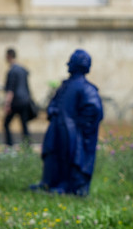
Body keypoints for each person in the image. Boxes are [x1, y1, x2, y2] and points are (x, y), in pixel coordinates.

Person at [32, 49, 103, 196]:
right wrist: (52, 111)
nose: (67, 64)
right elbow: (54, 102)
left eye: (71, 61)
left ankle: (67, 185)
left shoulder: (86, 88)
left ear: (77, 64)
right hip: (58, 127)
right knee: (52, 153)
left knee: (68, 155)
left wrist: (79, 125)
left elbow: (94, 109)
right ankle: (48, 182)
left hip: (71, 132)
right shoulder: (65, 85)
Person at [3, 48, 33, 147]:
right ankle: (27, 145)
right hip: (25, 100)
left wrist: (7, 104)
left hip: (16, 102)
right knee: (24, 124)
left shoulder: (12, 71)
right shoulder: (22, 69)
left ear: (9, 56)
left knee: (6, 123)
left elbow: (10, 90)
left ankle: (9, 144)